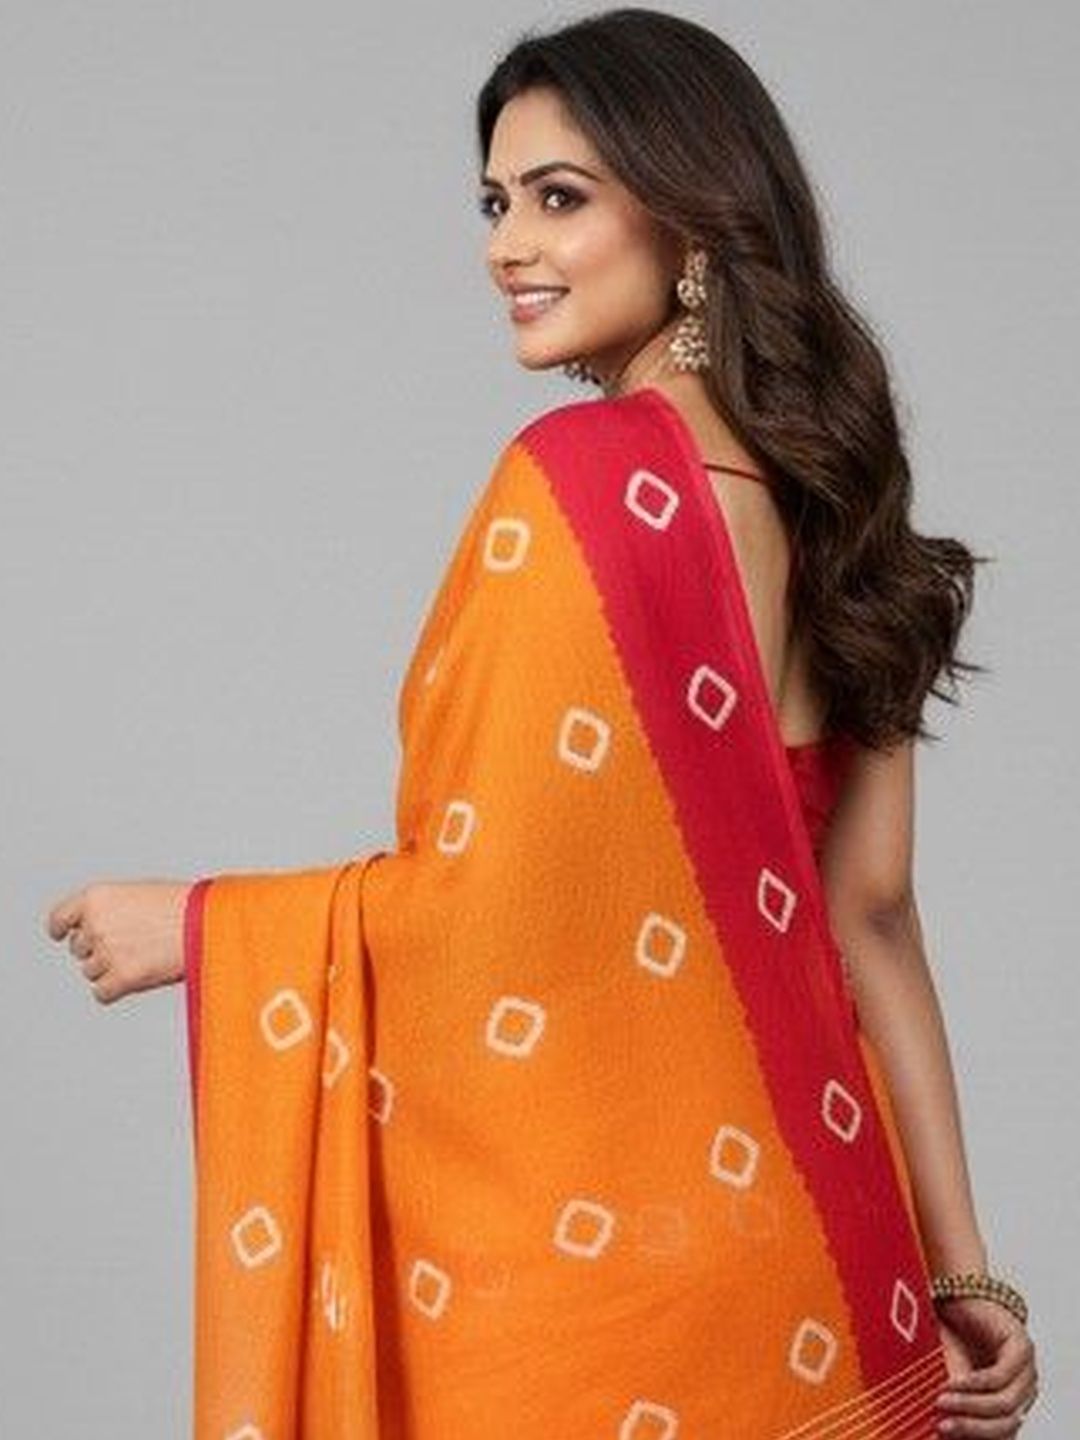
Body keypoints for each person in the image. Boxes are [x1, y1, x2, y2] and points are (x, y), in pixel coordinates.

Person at [44, 8, 1039, 1437]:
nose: (507, 246)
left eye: (560, 199)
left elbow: (501, 914)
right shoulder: (838, 499)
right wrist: (965, 1272)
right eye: (496, 204)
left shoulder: (578, 482)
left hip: (625, 1311)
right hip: (837, 1274)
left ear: (692, 216)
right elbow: (871, 914)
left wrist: (197, 927)